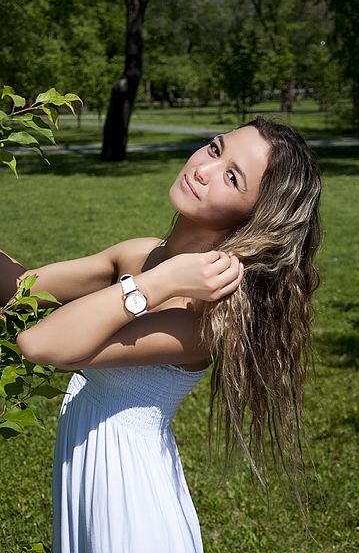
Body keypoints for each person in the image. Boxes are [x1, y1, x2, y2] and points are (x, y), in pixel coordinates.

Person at [0, 117, 321, 552]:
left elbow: (42, 343)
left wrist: (158, 283)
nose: (203, 169)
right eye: (214, 147)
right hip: (88, 469)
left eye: (231, 177)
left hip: (128, 499)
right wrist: (157, 275)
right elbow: (24, 289)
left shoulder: (204, 317)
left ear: (254, 217)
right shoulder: (140, 252)